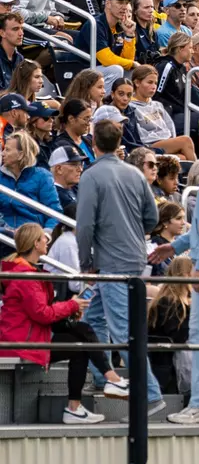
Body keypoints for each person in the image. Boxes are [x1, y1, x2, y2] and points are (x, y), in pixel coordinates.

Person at [77, 119, 165, 412]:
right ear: (119, 144)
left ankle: (150, 393)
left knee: (123, 328)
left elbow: (84, 225)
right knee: (91, 321)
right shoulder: (135, 174)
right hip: (133, 256)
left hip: (112, 262)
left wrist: (85, 263)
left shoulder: (91, 175)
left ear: (93, 143)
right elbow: (152, 217)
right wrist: (134, 232)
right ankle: (104, 377)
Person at [0, 223, 125, 426]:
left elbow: (42, 312)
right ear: (35, 243)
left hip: (31, 335)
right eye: (44, 238)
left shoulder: (28, 271)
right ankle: (101, 387)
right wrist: (71, 305)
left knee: (82, 332)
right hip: (23, 342)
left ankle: (103, 385)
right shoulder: (25, 276)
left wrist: (70, 309)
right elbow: (42, 314)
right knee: (80, 345)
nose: (47, 241)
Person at [0, 131, 61, 228]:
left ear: (20, 155)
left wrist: (47, 233)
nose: (2, 153)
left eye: (7, 150)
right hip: (3, 232)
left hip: (33, 233)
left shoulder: (42, 176)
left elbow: (54, 212)